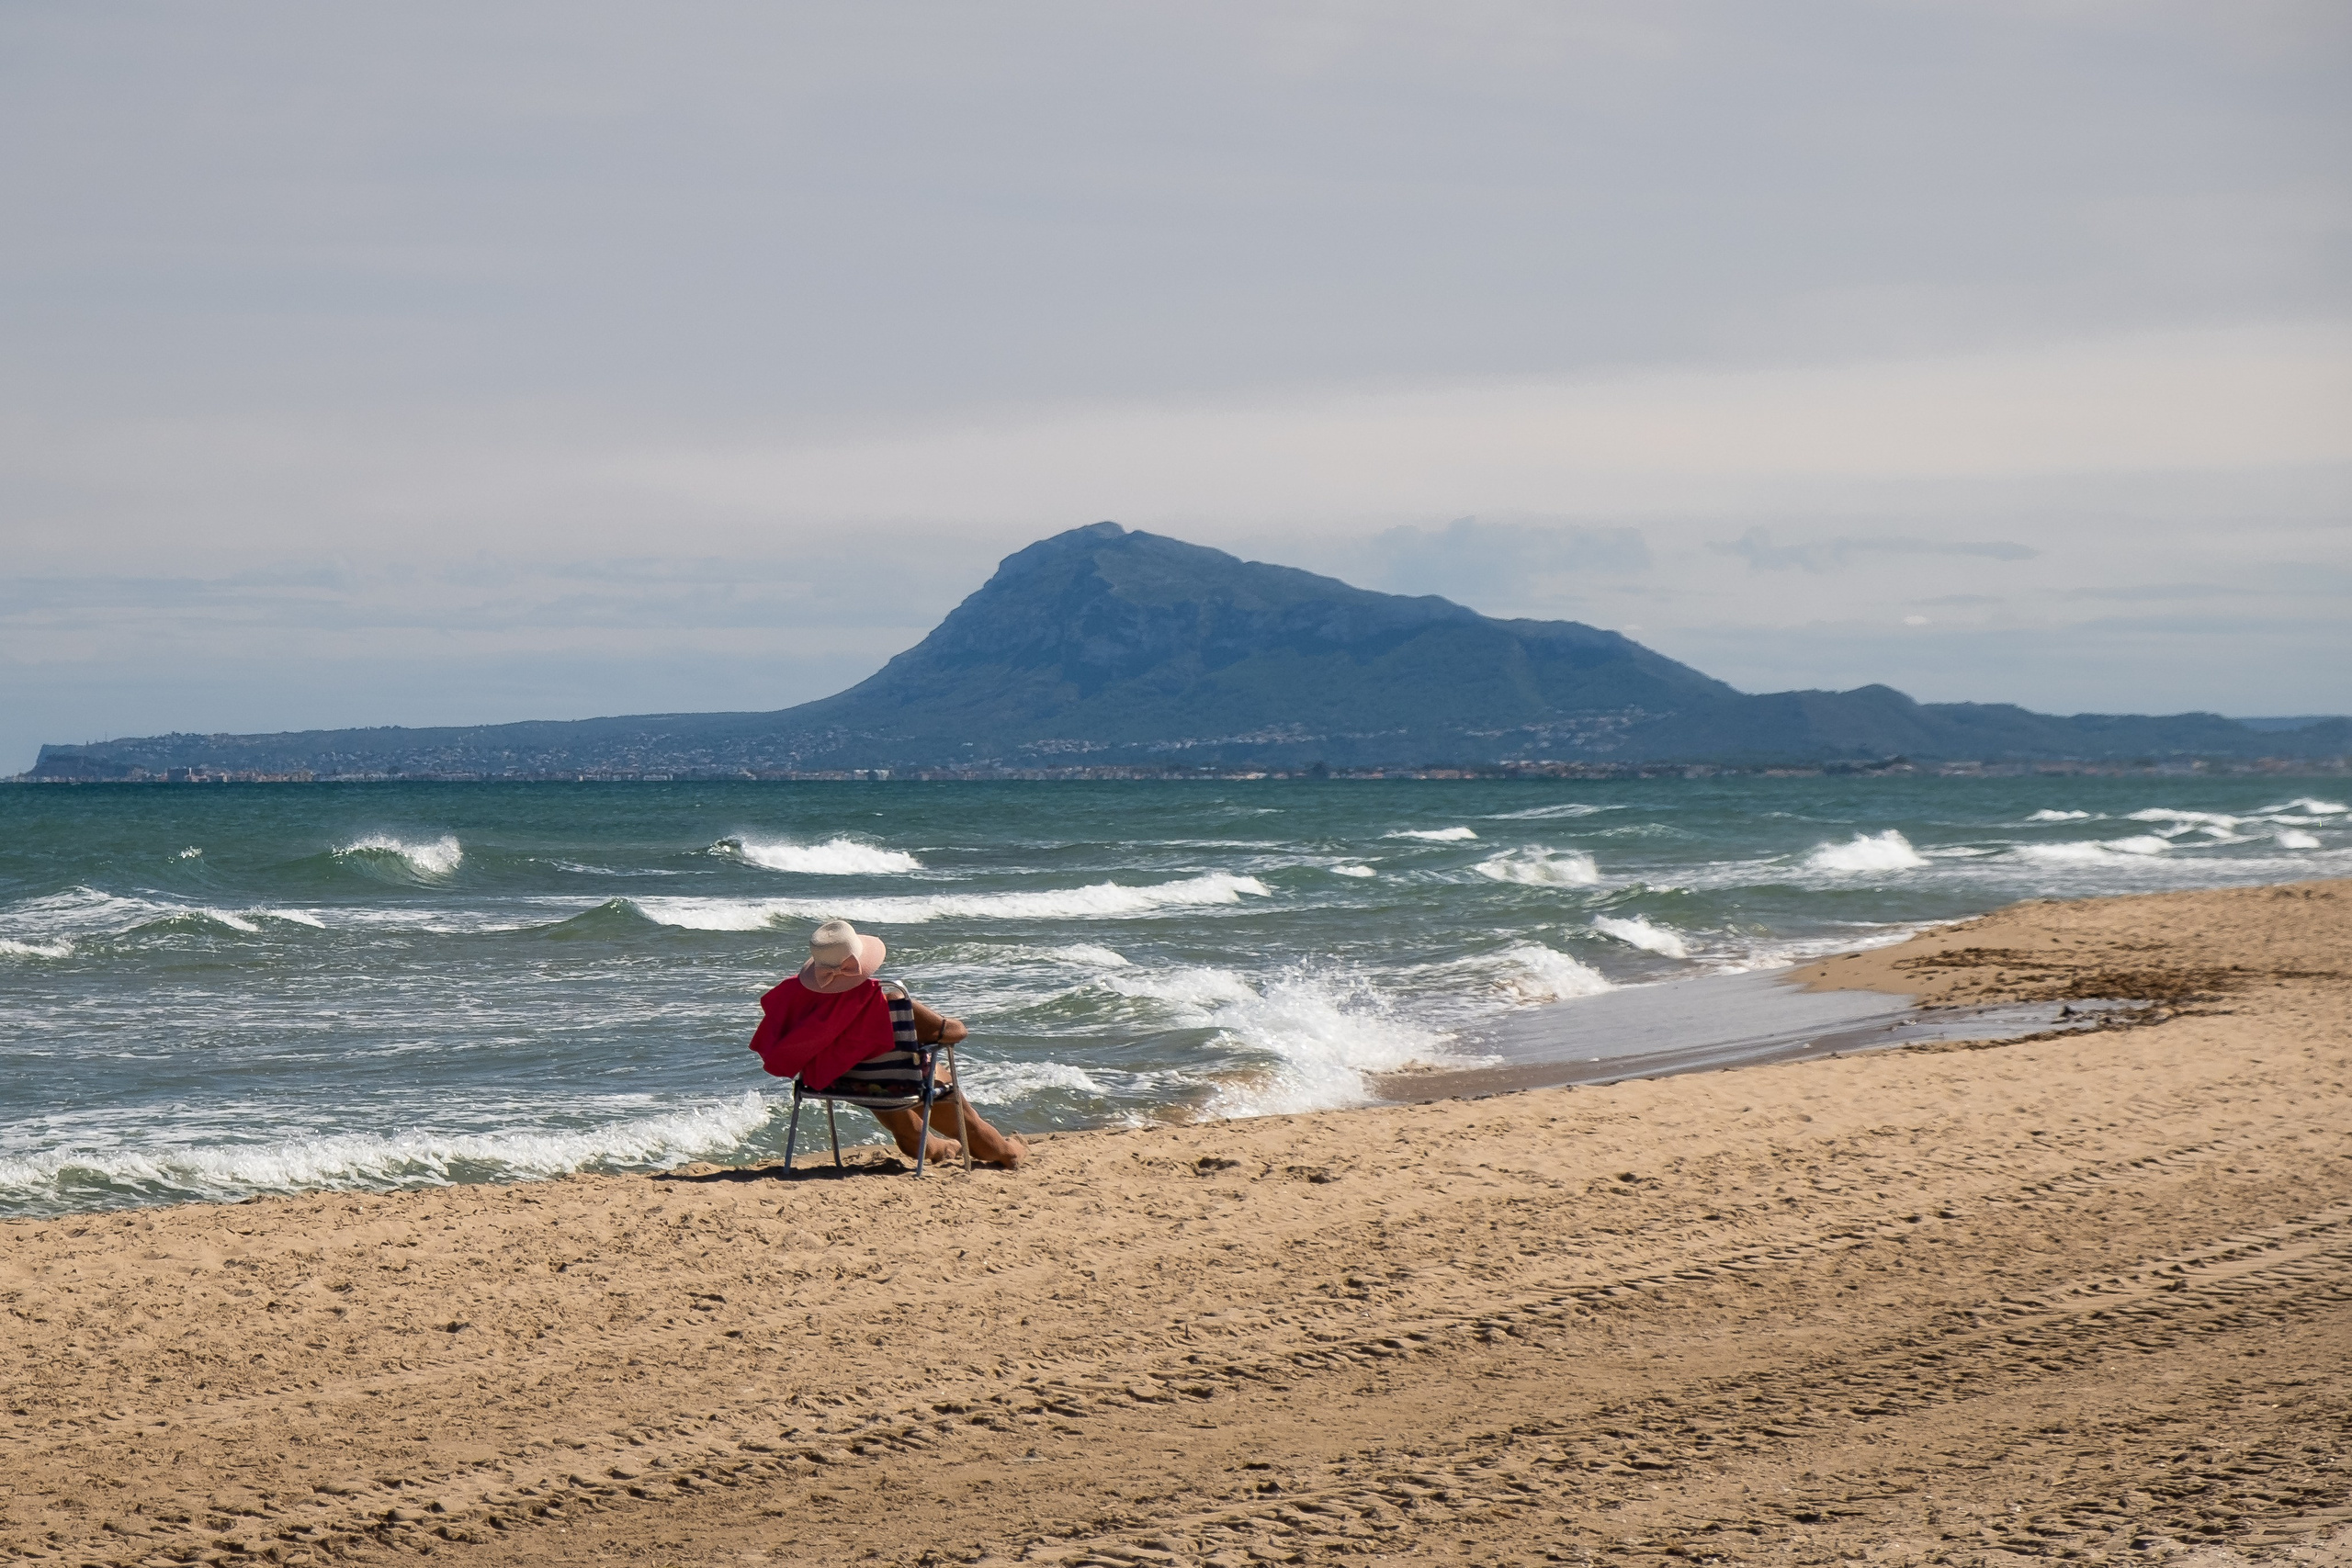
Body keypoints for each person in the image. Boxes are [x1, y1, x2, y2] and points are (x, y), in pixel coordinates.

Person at [748, 919, 1024, 1168]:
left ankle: (939, 1147)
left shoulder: (796, 1002)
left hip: (841, 1082)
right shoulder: (888, 1002)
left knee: (886, 1079)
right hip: (898, 1083)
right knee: (937, 1083)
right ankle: (1010, 1150)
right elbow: (953, 1033)